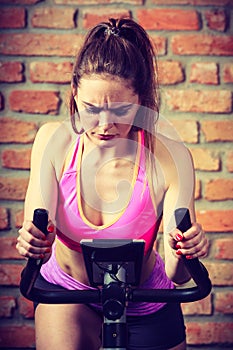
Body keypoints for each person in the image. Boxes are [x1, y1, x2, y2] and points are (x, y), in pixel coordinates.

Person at [16, 18, 209, 350]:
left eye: (120, 110)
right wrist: (32, 240)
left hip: (147, 298)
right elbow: (39, 221)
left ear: (140, 101)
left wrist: (188, 249)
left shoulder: (169, 155)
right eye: (91, 109)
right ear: (75, 95)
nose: (104, 125)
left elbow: (179, 275)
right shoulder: (54, 141)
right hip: (68, 294)